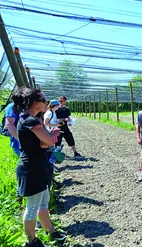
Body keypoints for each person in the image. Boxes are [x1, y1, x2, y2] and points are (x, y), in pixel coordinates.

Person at [13, 87, 66, 247]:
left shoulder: (29, 119)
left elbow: (44, 142)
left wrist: (46, 140)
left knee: (43, 202)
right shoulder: (30, 120)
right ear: (36, 103)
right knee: (32, 206)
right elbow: (48, 142)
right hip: (31, 169)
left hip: (38, 166)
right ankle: (30, 241)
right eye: (43, 100)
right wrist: (52, 136)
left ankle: (50, 231)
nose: (46, 103)